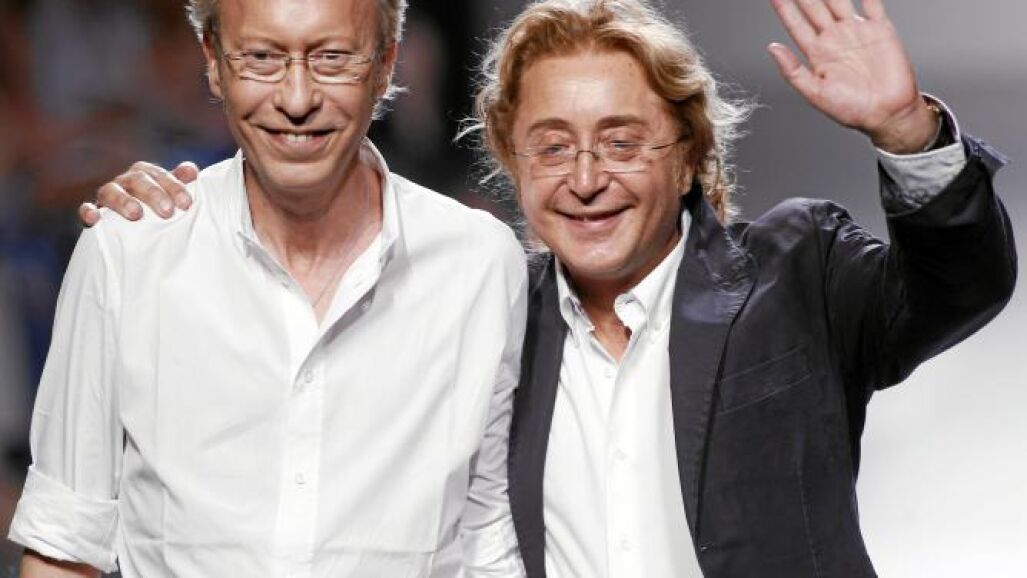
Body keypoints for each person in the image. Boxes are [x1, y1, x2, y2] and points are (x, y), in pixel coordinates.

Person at [78, 0, 1016, 576]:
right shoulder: (470, 308)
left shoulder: (792, 269)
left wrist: (905, 132)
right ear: (511, 163)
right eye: (552, 147)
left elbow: (959, 285)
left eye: (621, 141)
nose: (586, 179)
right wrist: (182, 216)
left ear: (688, 152)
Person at [8, 0, 526, 576]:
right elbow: (65, 546)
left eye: (332, 58)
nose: (297, 99)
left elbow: (491, 544)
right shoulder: (128, 253)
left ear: (385, 65)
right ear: (213, 62)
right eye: (261, 57)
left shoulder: (477, 264)